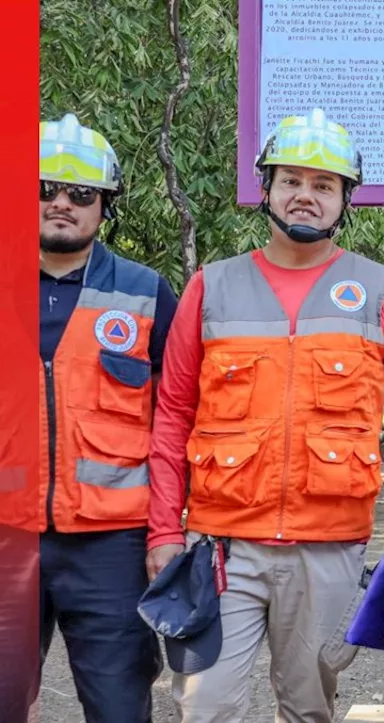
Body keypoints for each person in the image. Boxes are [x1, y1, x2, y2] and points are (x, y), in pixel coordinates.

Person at [145, 108, 384, 722]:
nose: (306, 195)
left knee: (309, 709)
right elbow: (171, 415)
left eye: (323, 184)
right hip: (223, 547)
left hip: (328, 550)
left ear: (344, 199)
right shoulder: (211, 287)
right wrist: (166, 533)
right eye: (292, 181)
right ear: (267, 189)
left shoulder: (381, 289)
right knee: (206, 708)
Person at [29, 113, 178, 722]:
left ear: (105, 205)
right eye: (43, 188)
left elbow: (176, 422)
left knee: (119, 708)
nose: (61, 203)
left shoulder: (146, 294)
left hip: (112, 548)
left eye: (80, 193)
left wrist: (169, 531)